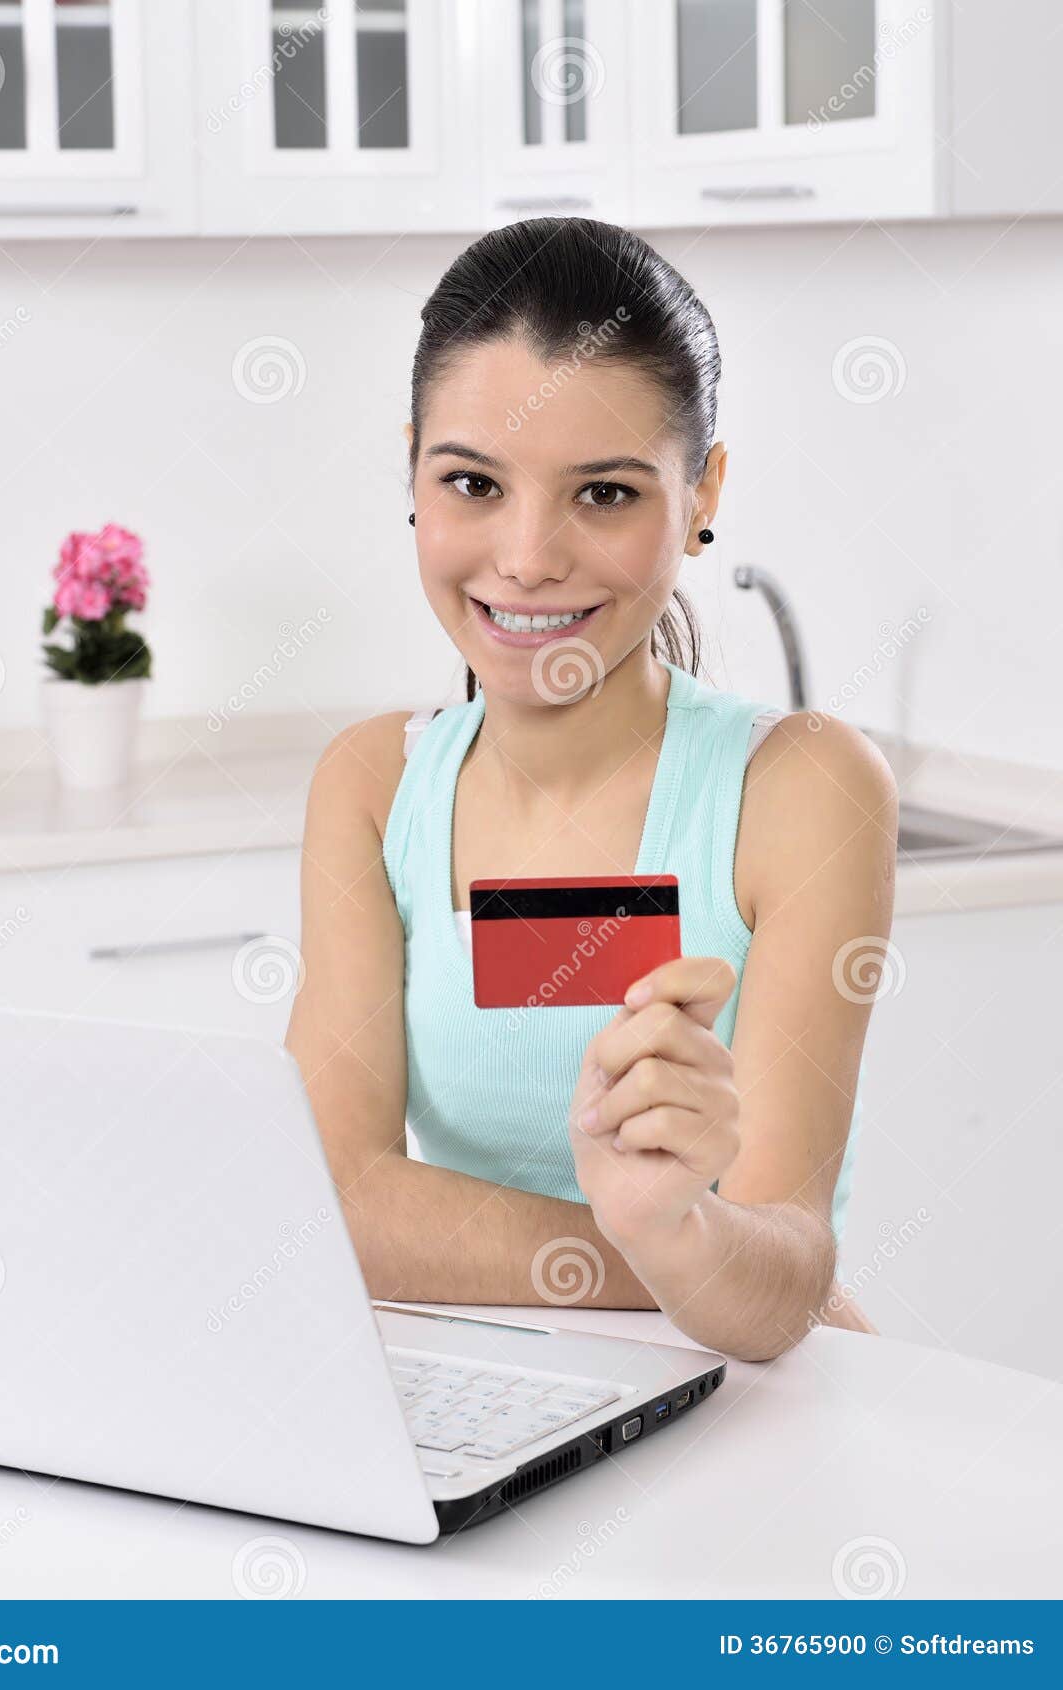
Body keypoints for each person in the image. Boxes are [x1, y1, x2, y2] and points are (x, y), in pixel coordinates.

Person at [284, 218, 896, 1361]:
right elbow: (333, 1202)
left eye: (604, 495)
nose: (524, 556)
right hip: (483, 1391)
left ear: (701, 491)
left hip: (745, 1411)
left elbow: (786, 1264)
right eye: (472, 480)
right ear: (411, 470)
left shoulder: (803, 787)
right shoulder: (372, 786)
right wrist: (683, 1253)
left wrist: (724, 1260)